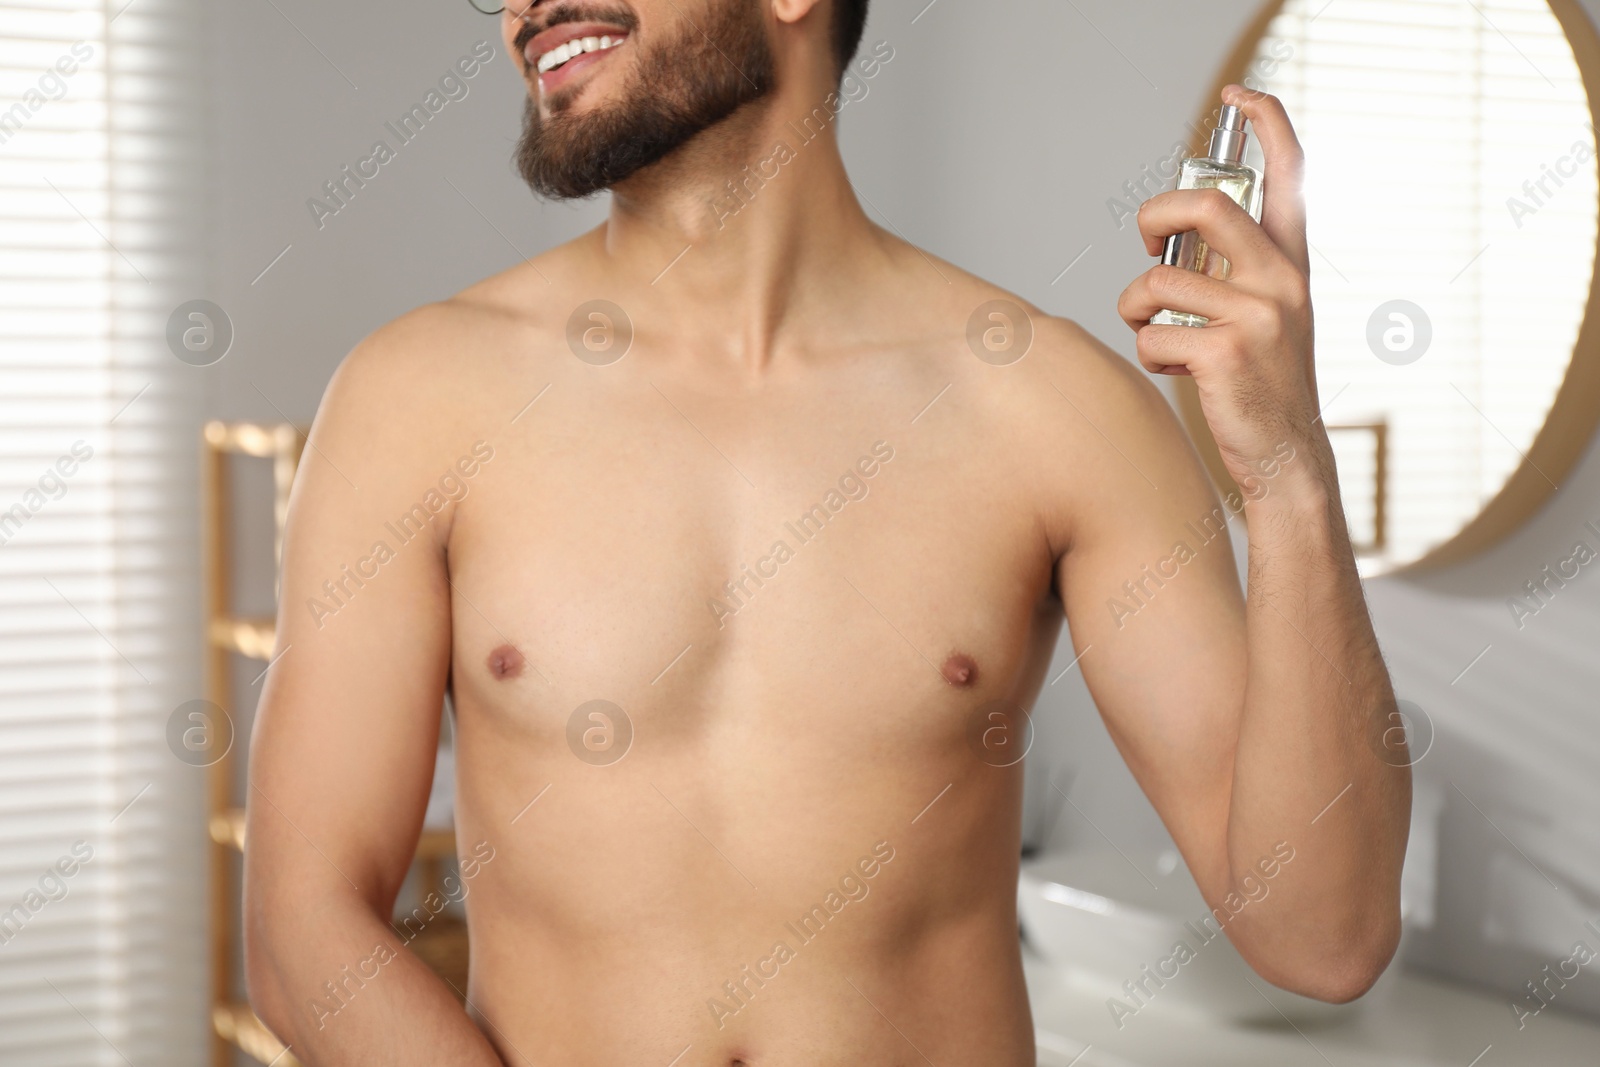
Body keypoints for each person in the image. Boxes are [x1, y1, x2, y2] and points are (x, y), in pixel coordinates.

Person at [242, 0, 1411, 1063]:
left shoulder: (1050, 410)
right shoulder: (416, 400)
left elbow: (1323, 929)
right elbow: (304, 930)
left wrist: (1286, 471)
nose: (520, 8)